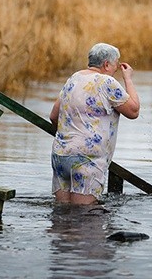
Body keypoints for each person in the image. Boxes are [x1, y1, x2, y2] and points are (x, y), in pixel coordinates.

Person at [49, 43, 140, 205]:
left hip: (61, 155)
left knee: (61, 216)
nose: (115, 71)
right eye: (115, 66)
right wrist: (128, 79)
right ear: (106, 64)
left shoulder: (73, 79)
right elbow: (133, 111)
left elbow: (53, 116)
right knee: (85, 219)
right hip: (87, 159)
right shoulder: (106, 82)